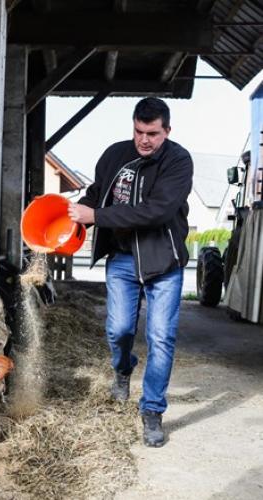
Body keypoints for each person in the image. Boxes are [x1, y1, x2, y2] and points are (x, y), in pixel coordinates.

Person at [68, 97, 193, 447]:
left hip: (163, 261)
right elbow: (96, 196)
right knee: (119, 330)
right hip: (122, 259)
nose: (145, 140)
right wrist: (71, 213)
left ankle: (152, 410)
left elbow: (156, 211)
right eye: (139, 131)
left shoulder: (178, 161)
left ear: (167, 130)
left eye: (153, 133)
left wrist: (98, 217)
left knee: (160, 337)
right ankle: (123, 369)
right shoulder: (114, 155)